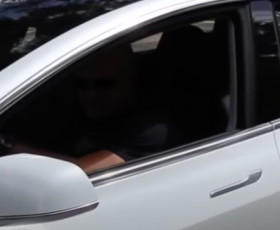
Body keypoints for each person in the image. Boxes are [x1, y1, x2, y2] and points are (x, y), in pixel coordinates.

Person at [1, 44, 182, 173]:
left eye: (104, 84)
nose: (90, 94)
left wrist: (10, 146)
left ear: (131, 80)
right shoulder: (81, 111)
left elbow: (81, 172)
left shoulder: (152, 131)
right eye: (82, 85)